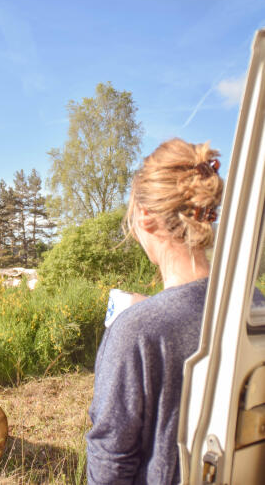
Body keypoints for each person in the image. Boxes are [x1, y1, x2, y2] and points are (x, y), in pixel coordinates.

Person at [86, 138, 224, 485]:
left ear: (145, 216)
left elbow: (109, 466)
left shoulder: (136, 331)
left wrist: (134, 326)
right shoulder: (252, 305)